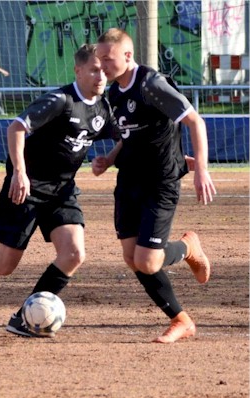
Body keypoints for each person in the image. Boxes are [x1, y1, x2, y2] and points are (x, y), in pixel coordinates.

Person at [0, 44, 113, 337]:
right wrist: (19, 173)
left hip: (62, 190)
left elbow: (126, 139)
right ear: (78, 70)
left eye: (104, 70)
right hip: (26, 188)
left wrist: (111, 159)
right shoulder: (59, 100)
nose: (101, 76)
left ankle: (24, 317)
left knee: (73, 254)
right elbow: (16, 128)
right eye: (94, 69)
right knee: (3, 264)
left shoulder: (103, 108)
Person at [94, 28, 216, 344]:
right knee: (132, 257)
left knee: (148, 260)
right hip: (129, 180)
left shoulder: (151, 84)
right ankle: (182, 320)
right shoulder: (115, 92)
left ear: (127, 56)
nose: (103, 65)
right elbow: (127, 135)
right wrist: (108, 159)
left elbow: (195, 122)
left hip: (160, 182)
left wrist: (200, 169)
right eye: (100, 59)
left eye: (108, 59)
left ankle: (188, 247)